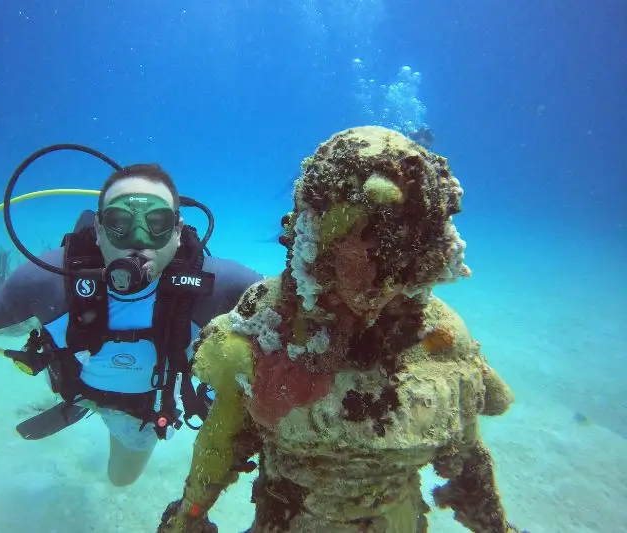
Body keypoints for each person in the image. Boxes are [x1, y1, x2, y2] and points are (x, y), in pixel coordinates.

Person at [157, 126, 524, 533]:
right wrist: (189, 516)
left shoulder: (441, 339)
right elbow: (221, 439)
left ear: (425, 249)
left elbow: (467, 455)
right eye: (342, 240)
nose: (365, 274)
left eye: (391, 242)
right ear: (307, 234)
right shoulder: (261, 330)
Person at [0, 163, 264, 487]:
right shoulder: (50, 278)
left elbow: (293, 314)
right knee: (81, 391)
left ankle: (105, 415)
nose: (138, 240)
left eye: (157, 222)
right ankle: (81, 402)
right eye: (121, 223)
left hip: (143, 408)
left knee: (121, 480)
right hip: (75, 378)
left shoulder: (220, 286)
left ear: (177, 232)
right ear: (100, 230)